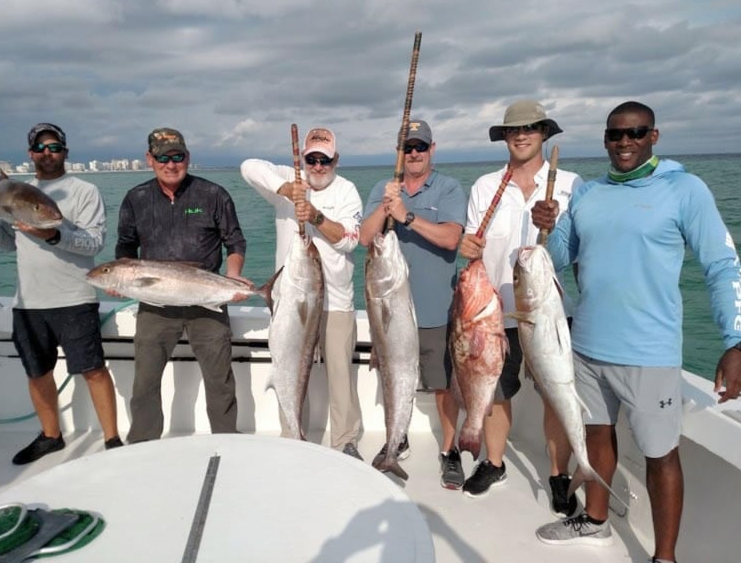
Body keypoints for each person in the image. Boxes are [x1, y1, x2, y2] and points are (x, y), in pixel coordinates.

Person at [532, 101, 741, 563]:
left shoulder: (684, 189)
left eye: (636, 133)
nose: (625, 143)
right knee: (595, 436)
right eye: (616, 135)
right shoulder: (588, 194)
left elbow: (721, 265)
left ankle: (664, 556)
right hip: (587, 345)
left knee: (660, 454)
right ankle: (594, 521)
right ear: (605, 140)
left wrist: (737, 342)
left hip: (649, 352)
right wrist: (548, 227)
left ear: (654, 135)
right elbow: (554, 258)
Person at [0, 123, 122, 464]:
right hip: (29, 302)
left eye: (54, 147)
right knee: (37, 372)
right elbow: (10, 244)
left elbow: (93, 243)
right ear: (31, 154)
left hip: (75, 297)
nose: (47, 153)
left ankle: (112, 440)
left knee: (93, 369)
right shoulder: (17, 192)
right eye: (41, 148)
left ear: (65, 151)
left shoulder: (84, 190)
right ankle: (51, 436)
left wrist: (51, 235)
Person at [458, 100, 584, 512]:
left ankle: (558, 473)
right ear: (505, 137)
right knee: (494, 390)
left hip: (549, 312)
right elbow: (472, 247)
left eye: (531, 127)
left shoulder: (569, 183)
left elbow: (581, 249)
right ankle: (494, 463)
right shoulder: (484, 186)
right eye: (514, 130)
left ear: (545, 133)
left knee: (555, 394)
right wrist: (467, 246)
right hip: (496, 311)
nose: (522, 134)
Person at [116, 128, 249, 442]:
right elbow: (125, 247)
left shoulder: (213, 195)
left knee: (220, 381)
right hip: (155, 304)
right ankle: (142, 444)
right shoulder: (136, 198)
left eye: (178, 156)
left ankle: (226, 440)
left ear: (187, 157)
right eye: (163, 157)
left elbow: (235, 242)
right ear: (150, 159)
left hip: (206, 302)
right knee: (145, 382)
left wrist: (233, 277)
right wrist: (121, 280)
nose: (171, 163)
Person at [240, 127, 364, 458]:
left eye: (325, 160)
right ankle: (292, 437)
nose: (318, 166)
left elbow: (351, 239)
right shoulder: (288, 181)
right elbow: (248, 166)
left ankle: (345, 441)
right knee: (289, 369)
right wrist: (287, 190)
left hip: (336, 303)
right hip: (291, 305)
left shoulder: (347, 191)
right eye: (312, 159)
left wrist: (316, 216)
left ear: (336, 160)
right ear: (304, 159)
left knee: (340, 376)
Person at [359, 119, 468, 489]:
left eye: (421, 147)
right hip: (389, 313)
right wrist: (385, 205)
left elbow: (451, 238)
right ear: (399, 153)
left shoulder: (449, 187)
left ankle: (450, 451)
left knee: (443, 387)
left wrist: (405, 214)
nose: (415, 153)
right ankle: (395, 440)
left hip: (437, 311)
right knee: (393, 380)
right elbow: (365, 237)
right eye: (408, 148)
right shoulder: (382, 188)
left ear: (432, 149)